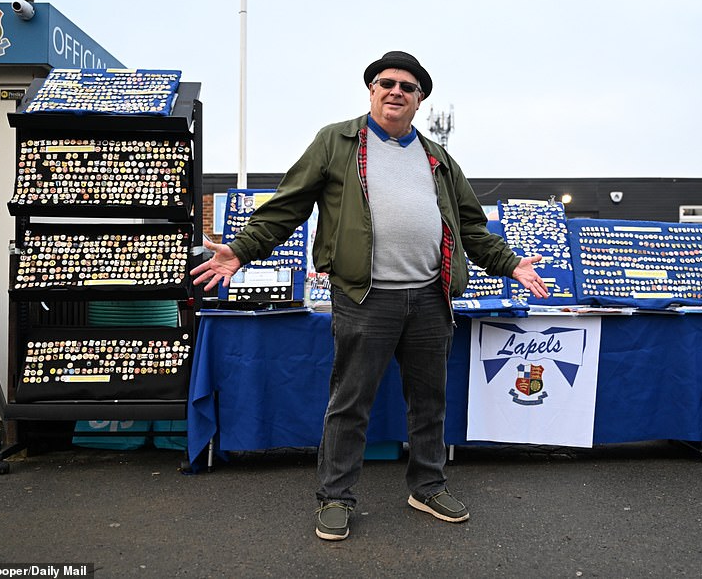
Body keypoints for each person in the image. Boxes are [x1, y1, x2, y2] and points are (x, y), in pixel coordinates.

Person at [190, 51, 549, 541]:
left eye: (407, 86)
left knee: (429, 401)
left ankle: (426, 485)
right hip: (365, 298)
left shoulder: (438, 158)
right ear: (372, 91)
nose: (395, 91)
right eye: (386, 83)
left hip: (429, 298)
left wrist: (511, 263)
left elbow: (471, 227)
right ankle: (336, 497)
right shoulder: (336, 142)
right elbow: (287, 205)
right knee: (350, 402)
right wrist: (241, 250)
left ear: (420, 100)